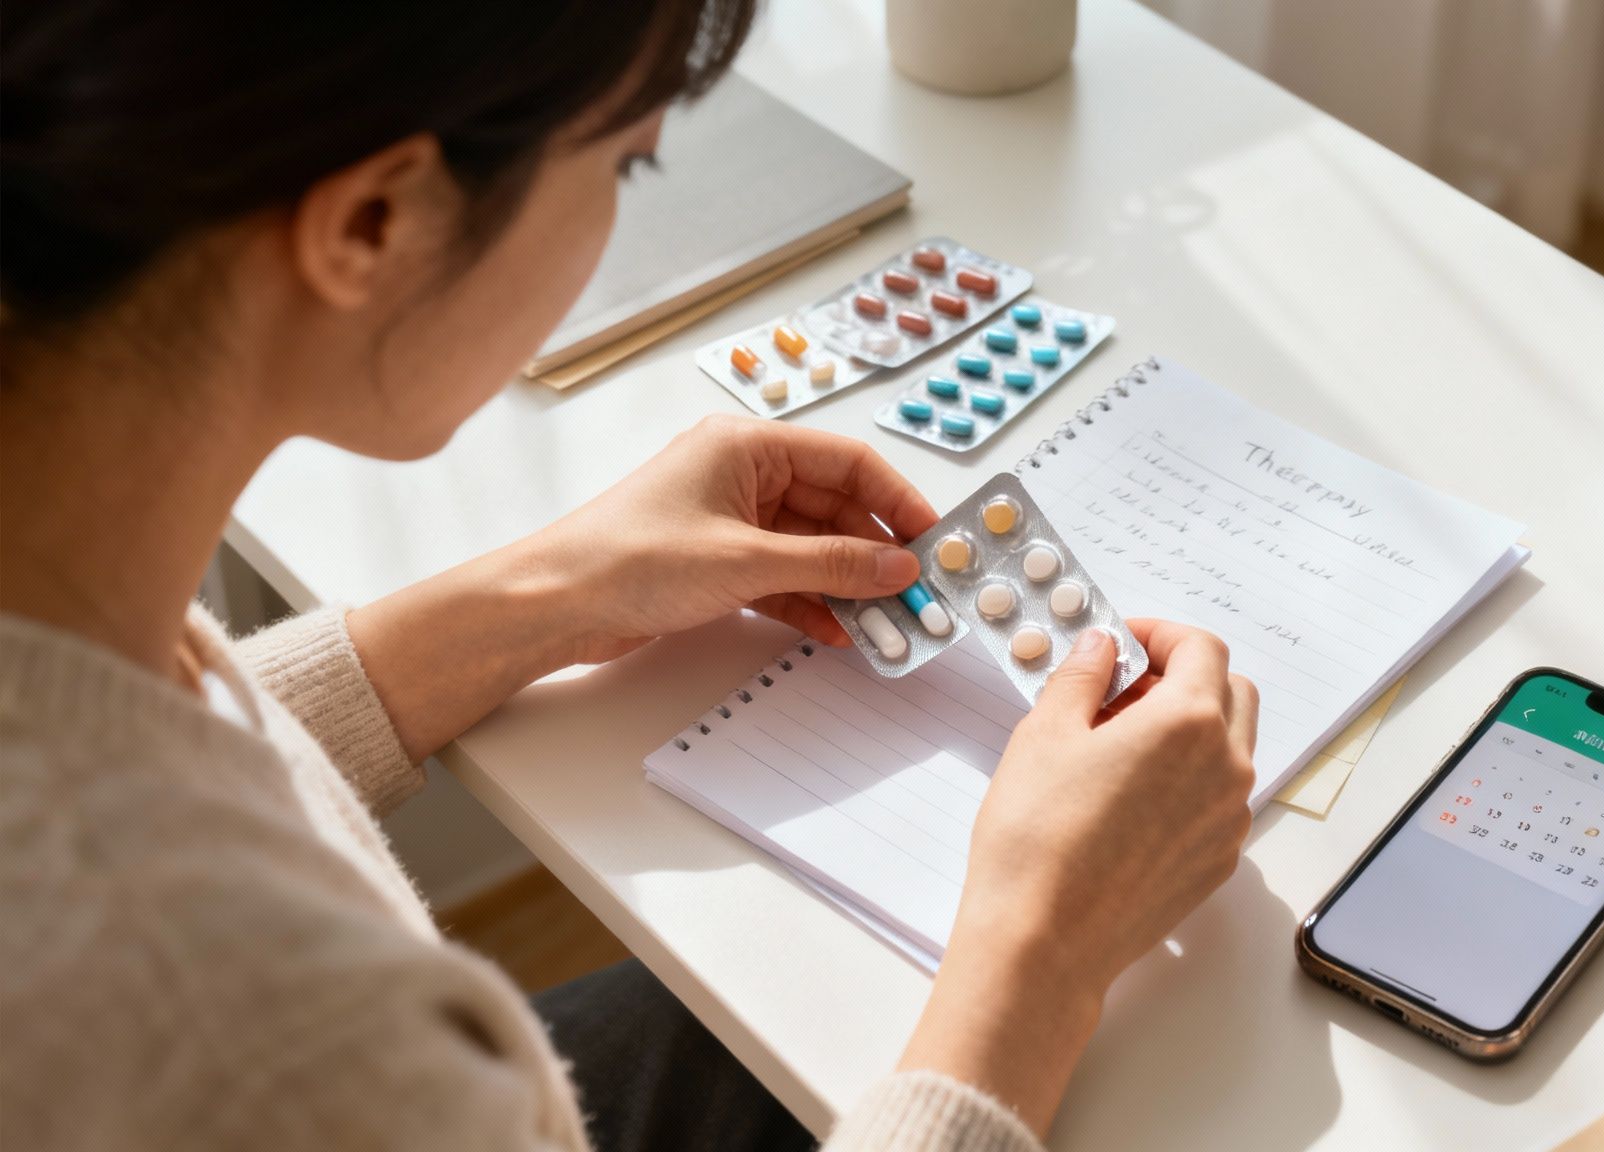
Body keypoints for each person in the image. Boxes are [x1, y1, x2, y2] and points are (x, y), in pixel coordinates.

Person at [0, 3, 1260, 1149]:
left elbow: (140, 740)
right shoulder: (282, 1049)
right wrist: (1040, 951)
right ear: (376, 220)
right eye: (625, 162)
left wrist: (548, 593)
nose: (620, 215)